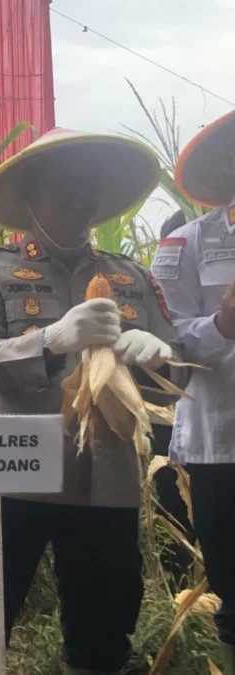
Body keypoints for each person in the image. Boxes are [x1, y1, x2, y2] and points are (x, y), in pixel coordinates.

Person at [0, 128, 189, 675]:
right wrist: (51, 341)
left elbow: (175, 373)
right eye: (67, 182)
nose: (82, 195)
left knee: (103, 634)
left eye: (91, 185)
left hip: (106, 471)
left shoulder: (132, 278)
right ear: (30, 191)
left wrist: (157, 359)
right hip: (9, 460)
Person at [159, 109, 235, 673]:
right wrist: (222, 326)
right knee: (232, 588)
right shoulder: (184, 245)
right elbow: (166, 345)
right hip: (220, 447)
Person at [149, 209, 195, 592]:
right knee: (174, 507)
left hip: (183, 421)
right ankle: (182, 596)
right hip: (167, 419)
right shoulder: (152, 291)